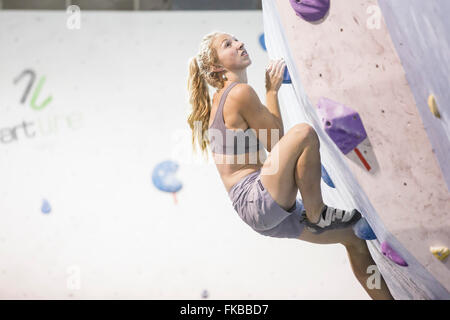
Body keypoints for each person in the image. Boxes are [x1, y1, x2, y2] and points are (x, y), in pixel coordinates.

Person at [187, 31, 393, 300]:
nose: (239, 43)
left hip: (263, 212)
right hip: (257, 198)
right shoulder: (238, 93)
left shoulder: (220, 99)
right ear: (216, 66)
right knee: (304, 133)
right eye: (228, 44)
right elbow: (276, 141)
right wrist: (272, 90)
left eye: (237, 38)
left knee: (354, 239)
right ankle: (317, 212)